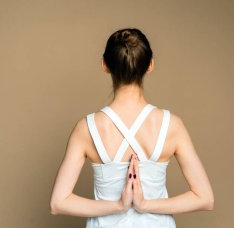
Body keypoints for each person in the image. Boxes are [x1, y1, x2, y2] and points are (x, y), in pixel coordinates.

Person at [49, 27, 214, 227]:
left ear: (105, 65)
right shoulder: (172, 125)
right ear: (150, 65)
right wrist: (144, 204)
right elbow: (204, 198)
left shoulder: (86, 128)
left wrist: (119, 205)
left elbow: (58, 203)